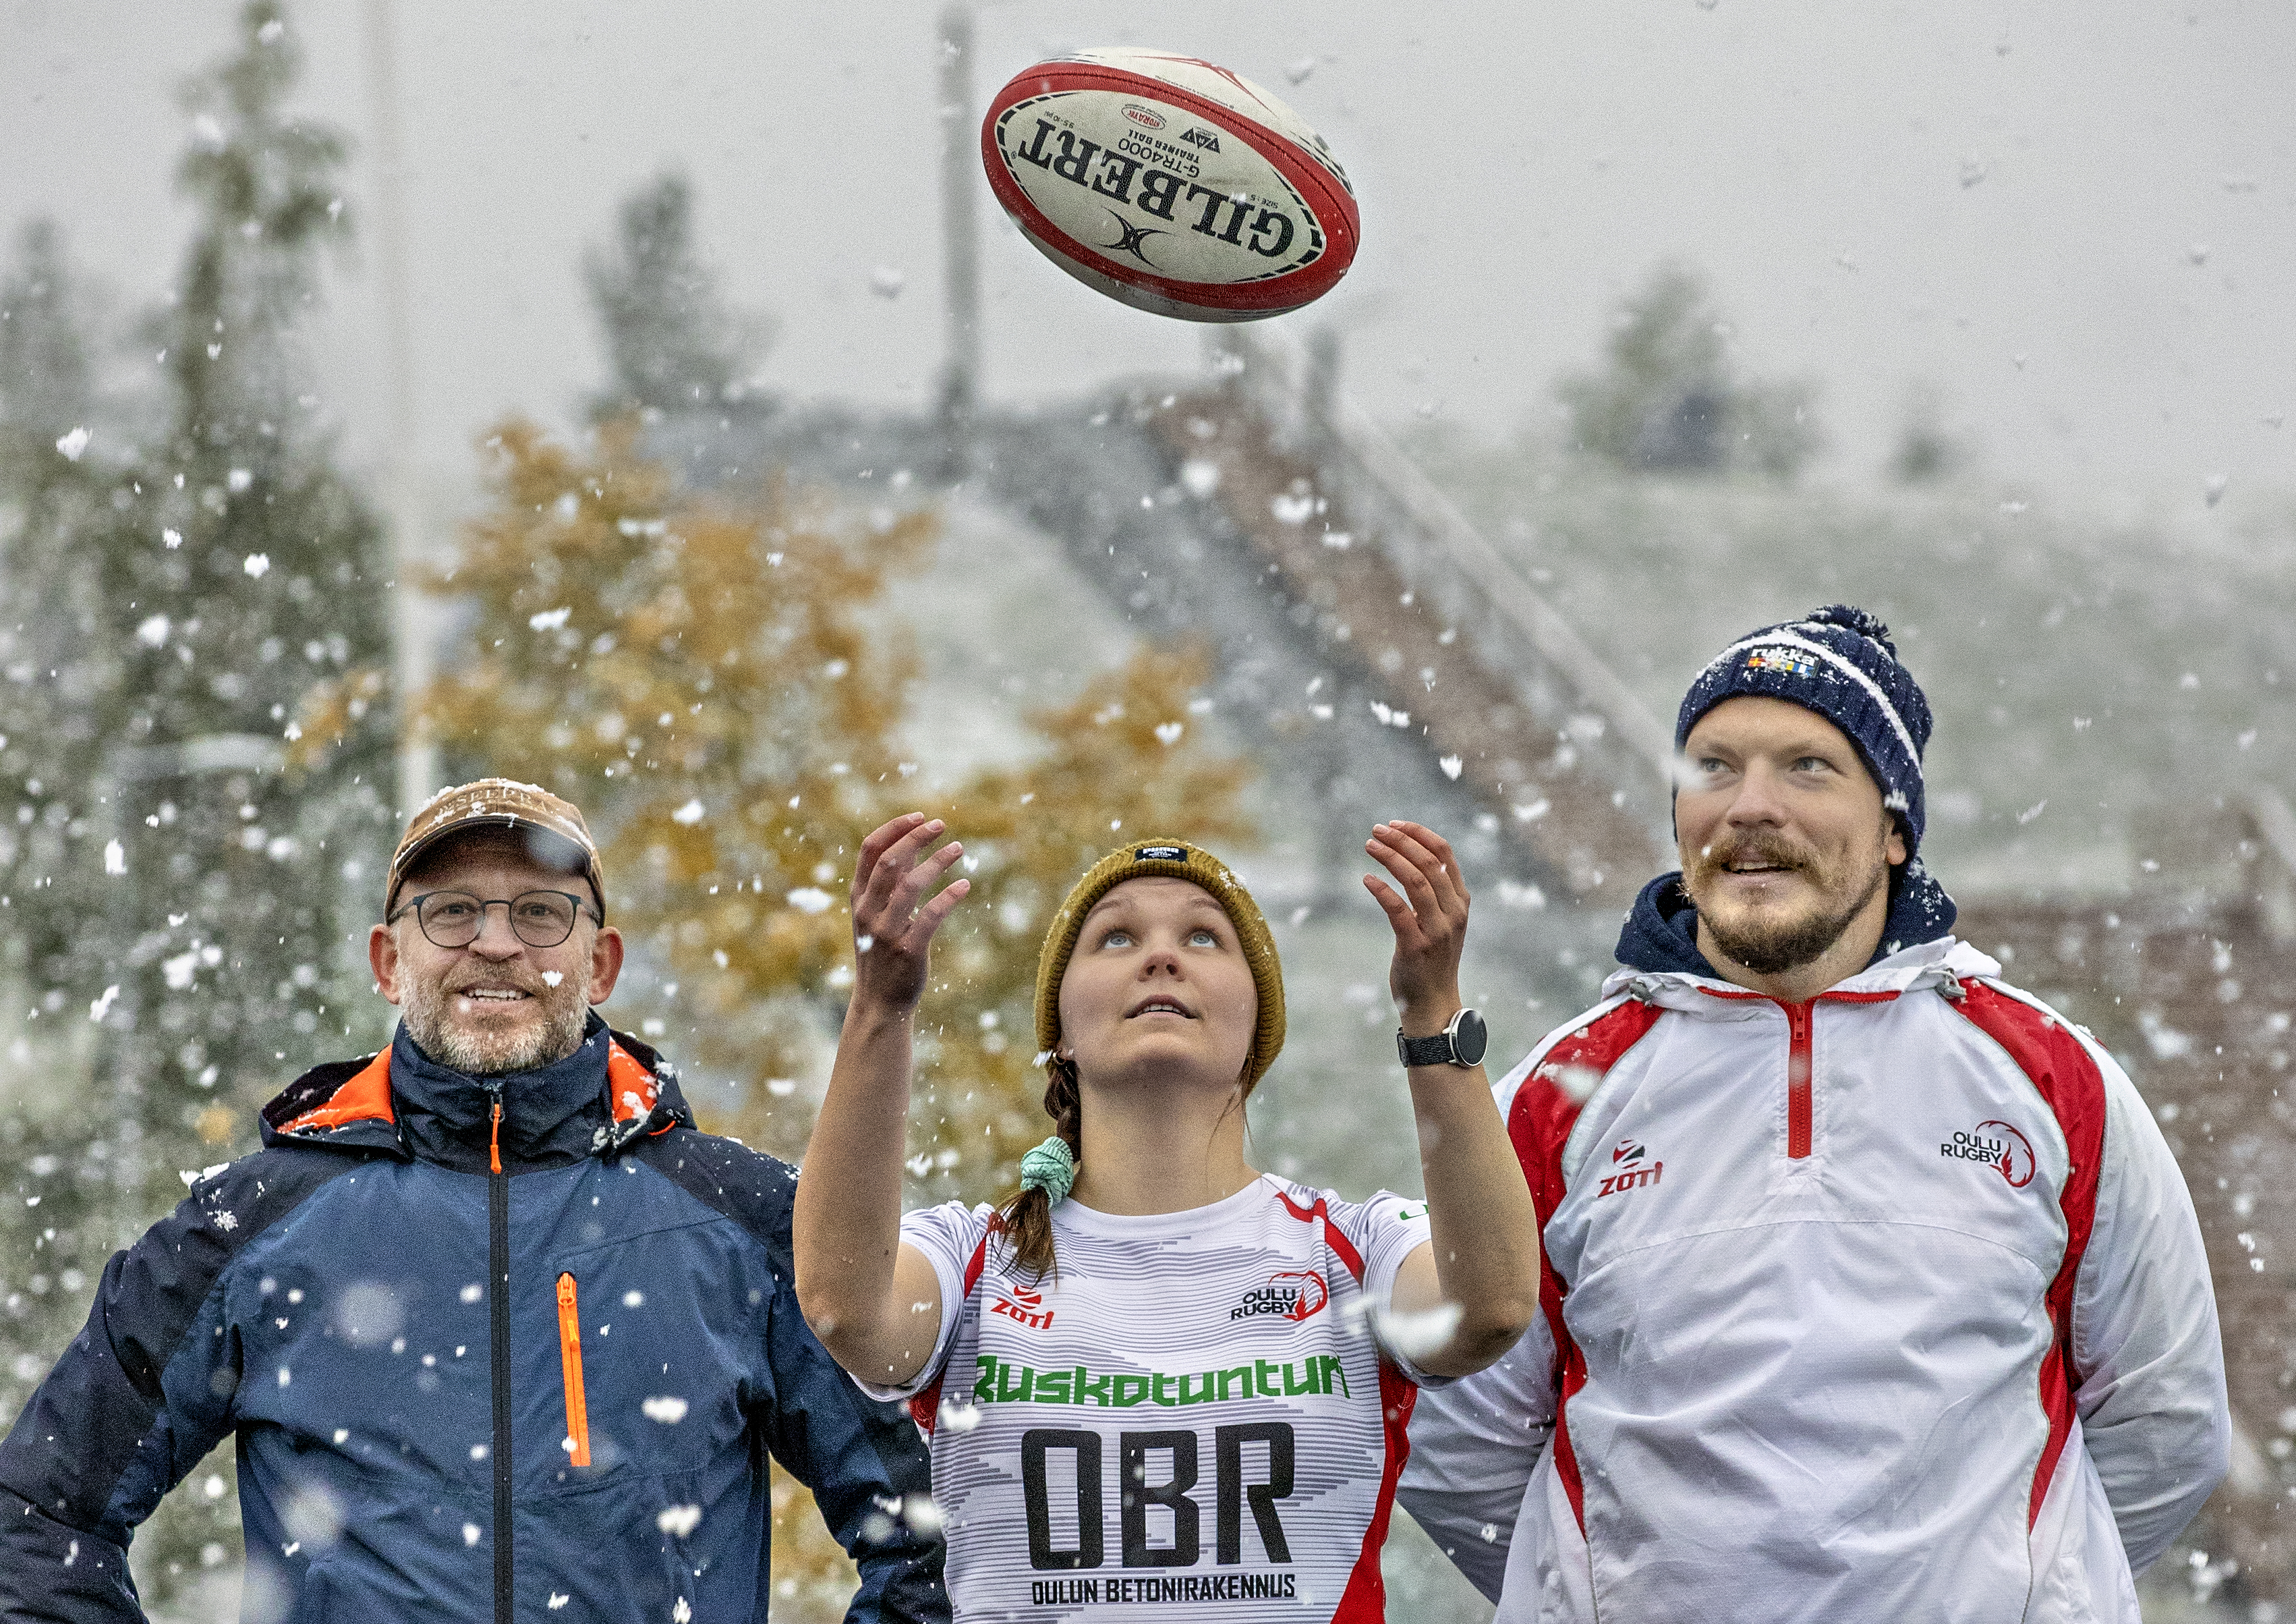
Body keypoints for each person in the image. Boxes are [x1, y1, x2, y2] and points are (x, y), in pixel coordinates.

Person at [1398, 606, 2230, 1621]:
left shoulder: (2056, 1079)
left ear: (1894, 829)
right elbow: (1455, 1439)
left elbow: (2165, 1420)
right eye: (1713, 767)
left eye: (1806, 767)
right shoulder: (1554, 1095)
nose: (1750, 806)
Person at [0, 779, 945, 1624]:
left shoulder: (740, 1220)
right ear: (388, 959)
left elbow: (930, 1530)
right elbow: (39, 1516)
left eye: (541, 911)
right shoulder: (248, 1228)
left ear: (601, 963)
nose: (495, 943)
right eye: (451, 911)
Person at [794, 817, 1541, 1621]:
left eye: (1203, 936)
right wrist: (880, 1008)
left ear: (1256, 1027)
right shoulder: (972, 1256)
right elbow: (845, 1309)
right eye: (1115, 937)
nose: (1160, 955)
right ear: (1061, 1036)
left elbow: (1491, 1308)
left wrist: (1432, 1014)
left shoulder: (1351, 1247)